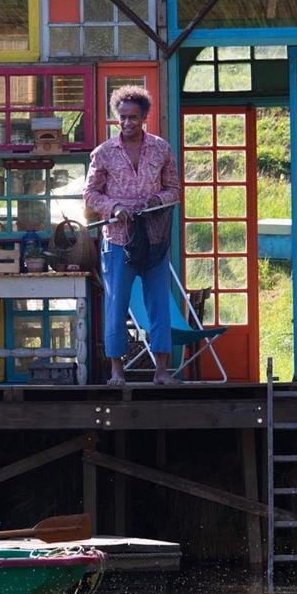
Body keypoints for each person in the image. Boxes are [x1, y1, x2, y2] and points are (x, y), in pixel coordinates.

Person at [84, 85, 182, 386]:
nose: (127, 123)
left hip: (154, 237)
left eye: (133, 118)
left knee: (159, 303)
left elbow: (174, 189)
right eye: (122, 117)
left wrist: (157, 201)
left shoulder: (162, 149)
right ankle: (116, 372)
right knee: (115, 305)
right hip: (117, 238)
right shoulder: (103, 154)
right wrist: (113, 206)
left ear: (144, 118)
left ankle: (162, 371)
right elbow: (90, 194)